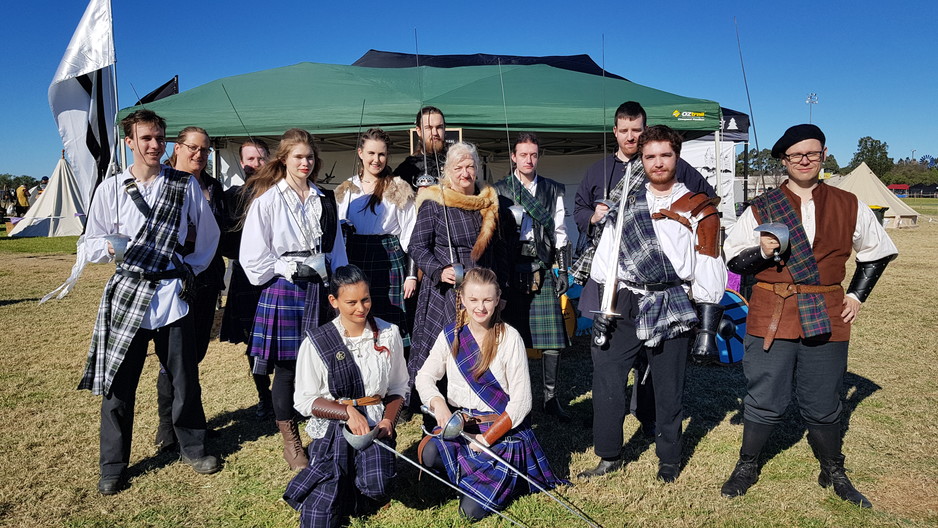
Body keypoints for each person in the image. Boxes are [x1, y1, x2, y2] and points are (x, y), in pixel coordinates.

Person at [720, 124, 898, 507]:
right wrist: (764, 253)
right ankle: (747, 463)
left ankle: (833, 468)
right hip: (772, 308)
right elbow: (733, 260)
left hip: (827, 310)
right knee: (765, 395)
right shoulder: (761, 207)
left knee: (823, 398)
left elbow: (877, 251)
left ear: (824, 155)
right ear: (785, 160)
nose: (805, 160)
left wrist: (857, 295)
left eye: (812, 153)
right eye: (796, 154)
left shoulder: (849, 204)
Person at [81, 109, 221, 495]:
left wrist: (187, 269)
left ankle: (192, 447)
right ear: (130, 142)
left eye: (160, 137)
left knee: (184, 379)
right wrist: (107, 246)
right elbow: (88, 242)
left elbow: (208, 235)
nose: (155, 145)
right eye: (146, 138)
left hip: (170, 296)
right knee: (118, 386)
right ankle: (112, 465)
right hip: (128, 293)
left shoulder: (183, 184)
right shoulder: (110, 189)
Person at [578, 125, 726, 482]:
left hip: (670, 299)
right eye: (650, 156)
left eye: (665, 155)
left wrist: (706, 327)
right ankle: (609, 454)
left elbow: (708, 265)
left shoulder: (699, 208)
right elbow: (607, 257)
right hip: (624, 298)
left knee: (668, 384)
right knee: (608, 379)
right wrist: (602, 307)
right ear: (641, 160)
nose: (658, 163)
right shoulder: (626, 199)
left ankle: (669, 459)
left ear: (677, 156)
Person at [416, 267, 565, 521]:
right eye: (473, 300)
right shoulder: (450, 335)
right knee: (428, 454)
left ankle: (509, 478)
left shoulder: (510, 338)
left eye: (487, 300)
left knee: (470, 513)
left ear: (497, 300)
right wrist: (438, 404)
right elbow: (424, 377)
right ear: (461, 298)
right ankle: (480, 477)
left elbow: (521, 403)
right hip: (461, 426)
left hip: (500, 432)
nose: (480, 307)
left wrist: (486, 440)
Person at [240, 128, 348, 470]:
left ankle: (326, 429)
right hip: (284, 289)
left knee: (326, 363)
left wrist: (339, 280)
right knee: (287, 370)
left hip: (320, 286)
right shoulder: (268, 200)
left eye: (310, 157)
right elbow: (252, 258)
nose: (305, 162)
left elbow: (337, 249)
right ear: (284, 158)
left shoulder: (324, 198)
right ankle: (291, 442)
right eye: (299, 156)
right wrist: (286, 267)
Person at [284, 264, 408, 527]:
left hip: (374, 424)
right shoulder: (316, 341)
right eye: (351, 302)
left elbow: (398, 387)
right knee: (320, 517)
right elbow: (304, 400)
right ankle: (336, 487)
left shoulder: (389, 333)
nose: (361, 308)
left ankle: (357, 489)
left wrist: (388, 422)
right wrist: (346, 411)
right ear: (334, 301)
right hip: (333, 428)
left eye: (366, 299)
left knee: (378, 486)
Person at [407, 142, 506, 404]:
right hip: (446, 290)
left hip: (481, 290)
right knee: (441, 350)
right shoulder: (435, 202)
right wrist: (438, 271)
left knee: (476, 348)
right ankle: (431, 405)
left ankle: (473, 402)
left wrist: (498, 290)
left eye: (470, 166)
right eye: (458, 167)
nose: (465, 173)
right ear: (448, 171)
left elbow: (497, 251)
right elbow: (416, 245)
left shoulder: (487, 203)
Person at [152, 126, 229, 452]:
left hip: (208, 276)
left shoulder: (212, 185)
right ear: (178, 148)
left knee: (195, 354)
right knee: (173, 358)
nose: (199, 154)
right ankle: (167, 430)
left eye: (205, 149)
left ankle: (191, 423)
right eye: (193, 148)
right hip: (175, 278)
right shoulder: (162, 181)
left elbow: (220, 229)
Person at [493, 132, 571, 421]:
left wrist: (563, 270)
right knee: (510, 338)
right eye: (523, 154)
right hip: (510, 267)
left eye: (533, 154)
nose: (528, 159)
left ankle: (550, 399)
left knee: (552, 342)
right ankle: (514, 400)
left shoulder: (552, 190)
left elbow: (560, 232)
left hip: (542, 264)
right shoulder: (500, 189)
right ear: (513, 156)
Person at [335, 128, 417, 346]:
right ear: (360, 153)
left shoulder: (398, 187)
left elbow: (410, 233)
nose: (376, 160)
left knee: (391, 322)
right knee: (359, 317)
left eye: (381, 154)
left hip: (390, 258)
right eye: (371, 153)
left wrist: (411, 275)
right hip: (355, 256)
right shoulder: (347, 189)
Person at [219, 139, 273, 418]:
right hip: (245, 276)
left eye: (261, 158)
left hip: (277, 274)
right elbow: (224, 240)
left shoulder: (281, 193)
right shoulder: (232, 196)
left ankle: (289, 393)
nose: (256, 164)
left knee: (286, 338)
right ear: (242, 163)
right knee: (254, 341)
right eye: (250, 159)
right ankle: (264, 396)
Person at [393, 106, 448, 191]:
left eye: (439, 127)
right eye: (429, 128)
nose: (435, 133)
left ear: (444, 129)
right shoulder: (408, 167)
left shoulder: (457, 162)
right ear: (419, 131)